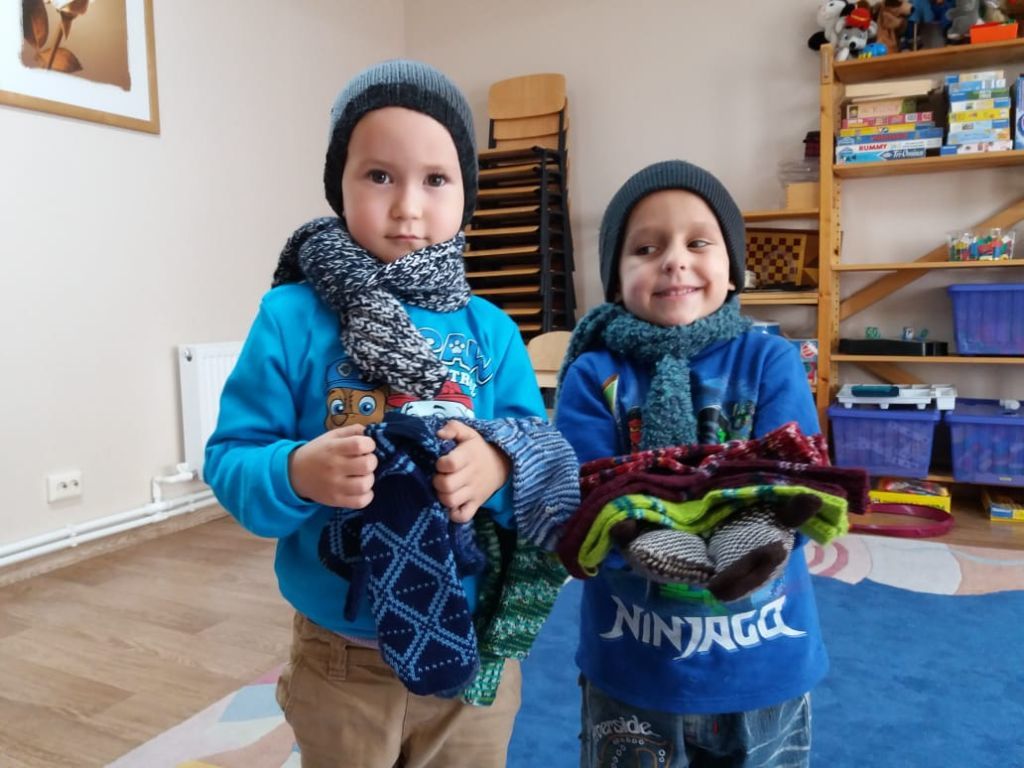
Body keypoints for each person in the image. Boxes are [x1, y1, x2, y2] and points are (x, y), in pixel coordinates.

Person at [205, 59, 577, 768]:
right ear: (339, 184)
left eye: (436, 179)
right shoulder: (290, 317)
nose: (408, 206)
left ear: (466, 195)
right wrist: (296, 471)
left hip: (471, 652)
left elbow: (544, 456)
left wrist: (499, 464)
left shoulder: (491, 331)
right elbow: (231, 460)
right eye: (379, 175)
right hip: (339, 657)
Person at [555, 160, 826, 768]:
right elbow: (578, 496)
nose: (674, 261)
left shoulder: (770, 361)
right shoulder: (595, 374)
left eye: (698, 243)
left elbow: (801, 484)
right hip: (633, 668)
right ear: (615, 280)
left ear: (734, 268)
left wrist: (765, 527)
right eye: (646, 248)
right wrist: (633, 532)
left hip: (763, 663)